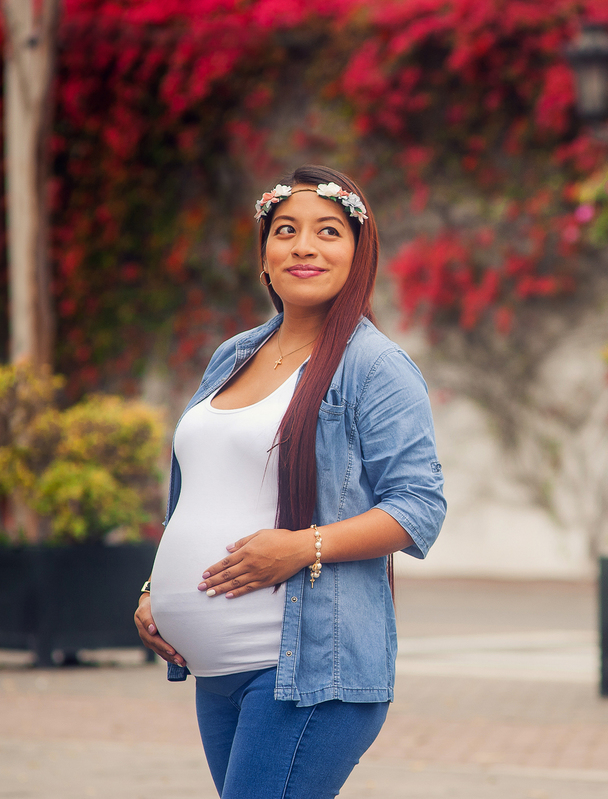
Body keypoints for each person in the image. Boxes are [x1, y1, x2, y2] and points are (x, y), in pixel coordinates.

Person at [133, 165, 445, 798]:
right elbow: (200, 491)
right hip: (218, 674)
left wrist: (303, 545)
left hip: (305, 673)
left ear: (359, 254)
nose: (304, 246)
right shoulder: (234, 355)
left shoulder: (375, 367)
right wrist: (153, 591)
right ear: (264, 257)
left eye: (328, 231)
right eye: (286, 231)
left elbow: (419, 507)